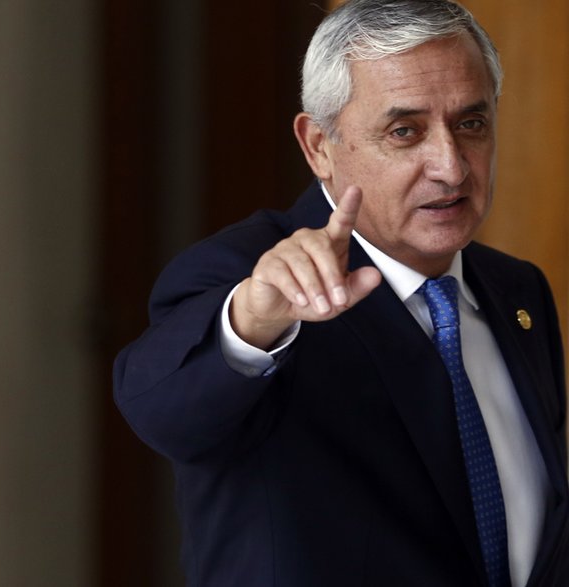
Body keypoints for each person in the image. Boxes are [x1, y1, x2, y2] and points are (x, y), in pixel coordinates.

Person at [113, 0, 569, 585]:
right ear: (319, 146)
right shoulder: (247, 277)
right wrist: (252, 326)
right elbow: (160, 412)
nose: (451, 167)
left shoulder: (516, 291)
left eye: (471, 124)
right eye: (405, 132)